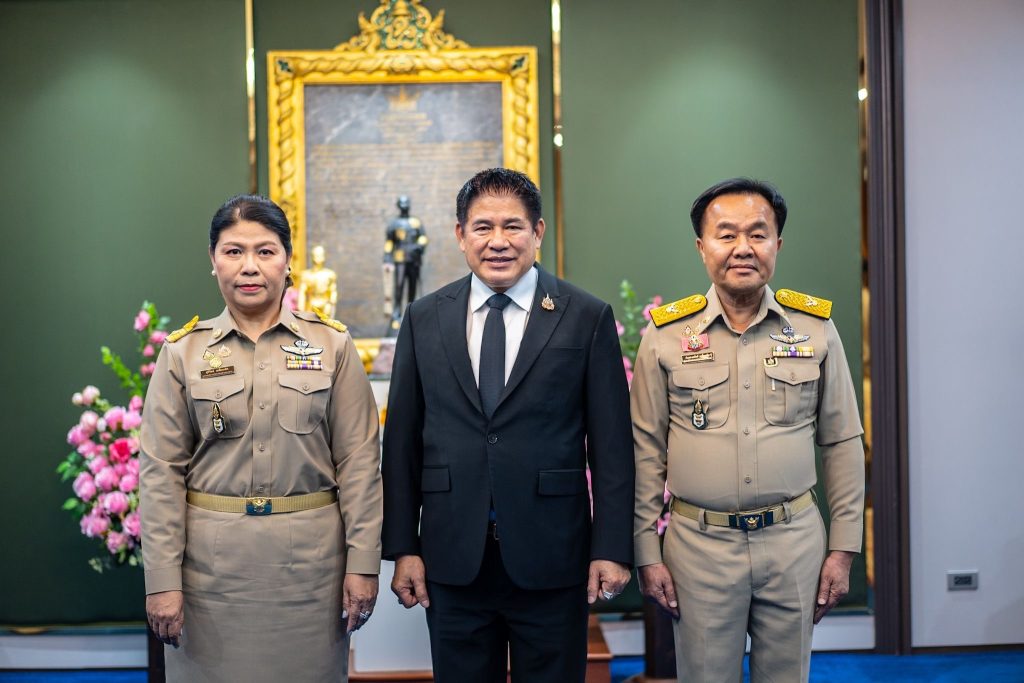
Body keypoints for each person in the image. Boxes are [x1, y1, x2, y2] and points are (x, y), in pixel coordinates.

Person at [382, 168, 634, 683]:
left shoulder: (585, 316)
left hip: (553, 555)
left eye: (513, 226)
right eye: (483, 227)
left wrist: (611, 548)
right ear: (460, 235)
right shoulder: (424, 318)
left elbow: (611, 449)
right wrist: (404, 547)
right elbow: (402, 445)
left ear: (537, 232)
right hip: (453, 557)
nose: (498, 241)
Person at [140, 194, 383, 682]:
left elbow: (360, 463)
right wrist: (161, 581)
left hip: (311, 576)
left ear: (287, 260)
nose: (249, 266)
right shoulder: (183, 353)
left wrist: (363, 564)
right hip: (210, 576)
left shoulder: (331, 345)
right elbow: (160, 474)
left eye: (265, 251)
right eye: (234, 251)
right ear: (213, 261)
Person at [631, 178, 864, 682]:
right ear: (702, 247)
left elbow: (843, 441)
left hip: (793, 542)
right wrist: (646, 551)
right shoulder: (666, 335)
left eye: (758, 234)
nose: (743, 248)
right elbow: (645, 450)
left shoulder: (815, 329)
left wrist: (843, 549)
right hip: (699, 549)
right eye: (726, 234)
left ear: (778, 243)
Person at [383, 195, 428, 334]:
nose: (405, 207)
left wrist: (419, 246)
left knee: (412, 287)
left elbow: (423, 236)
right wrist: (387, 258)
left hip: (413, 259)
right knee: (399, 287)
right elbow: (389, 242)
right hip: (400, 259)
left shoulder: (415, 222)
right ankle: (396, 314)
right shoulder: (394, 224)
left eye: (406, 204)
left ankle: (410, 313)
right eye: (402, 204)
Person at [296, 244, 339, 318]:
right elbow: (302, 293)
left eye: (320, 255)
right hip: (311, 305)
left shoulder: (330, 275)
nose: (318, 257)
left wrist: (331, 303)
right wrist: (301, 308)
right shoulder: (306, 275)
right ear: (312, 256)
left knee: (326, 323)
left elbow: (333, 290)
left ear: (324, 256)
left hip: (325, 305)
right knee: (311, 323)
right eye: (316, 255)